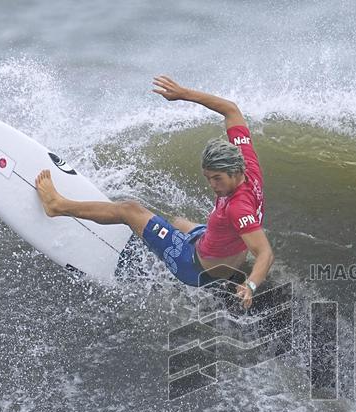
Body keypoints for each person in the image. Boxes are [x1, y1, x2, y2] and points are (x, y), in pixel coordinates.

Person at [34, 75, 273, 309]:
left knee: (130, 210)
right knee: (179, 223)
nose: (212, 185)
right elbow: (231, 110)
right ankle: (197, 261)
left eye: (217, 178)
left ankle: (58, 206)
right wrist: (184, 94)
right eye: (208, 178)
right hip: (219, 252)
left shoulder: (238, 208)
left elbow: (265, 253)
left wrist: (251, 285)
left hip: (194, 267)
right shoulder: (248, 165)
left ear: (234, 171)